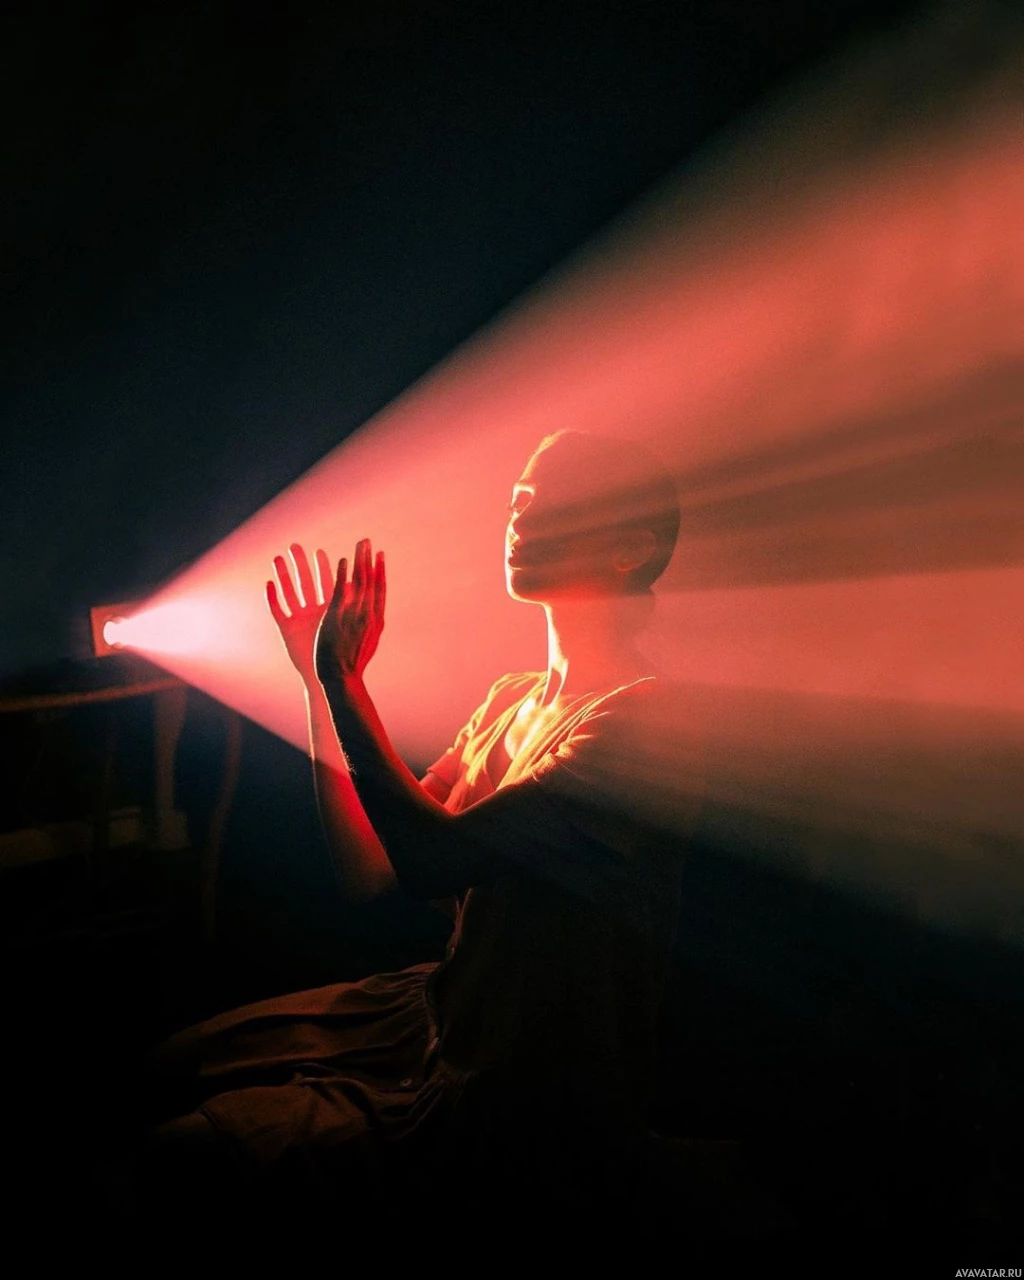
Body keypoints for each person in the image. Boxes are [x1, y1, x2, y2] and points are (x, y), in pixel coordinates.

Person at [146, 430, 703, 1231]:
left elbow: (429, 859)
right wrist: (319, 685)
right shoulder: (511, 699)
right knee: (172, 1064)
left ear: (630, 550)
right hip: (434, 1015)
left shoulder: (644, 726)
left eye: (554, 504)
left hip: (519, 1089)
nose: (519, 516)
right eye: (519, 498)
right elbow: (369, 870)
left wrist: (345, 684)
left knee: (175, 1156)